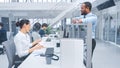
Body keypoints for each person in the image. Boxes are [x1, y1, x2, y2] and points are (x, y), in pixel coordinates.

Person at [72, 2, 97, 68]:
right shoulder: (82, 16)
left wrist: (80, 20)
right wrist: (75, 20)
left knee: (87, 60)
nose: (81, 9)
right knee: (81, 58)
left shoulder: (93, 17)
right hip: (82, 41)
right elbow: (74, 19)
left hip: (90, 41)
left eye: (82, 8)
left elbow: (85, 20)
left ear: (87, 8)